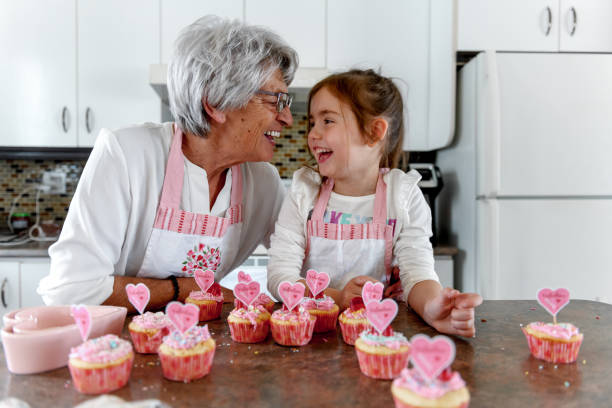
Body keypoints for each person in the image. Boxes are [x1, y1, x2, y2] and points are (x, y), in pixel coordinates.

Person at [38, 16, 298, 311]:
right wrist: (183, 289)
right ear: (214, 102)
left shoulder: (263, 181)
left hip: (199, 345)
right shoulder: (127, 155)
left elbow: (304, 260)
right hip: (117, 346)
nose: (287, 117)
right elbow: (70, 288)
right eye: (275, 100)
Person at [267, 69, 482, 337]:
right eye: (312, 122)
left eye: (328, 121)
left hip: (380, 335)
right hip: (312, 336)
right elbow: (280, 276)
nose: (313, 134)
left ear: (374, 131)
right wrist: (337, 297)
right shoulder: (304, 192)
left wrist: (433, 307)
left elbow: (417, 274)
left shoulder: (402, 196)